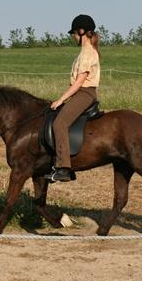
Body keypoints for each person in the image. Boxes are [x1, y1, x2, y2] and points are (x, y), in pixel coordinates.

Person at [45, 14, 101, 183]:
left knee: (60, 124)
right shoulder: (85, 52)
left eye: (74, 34)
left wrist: (61, 100)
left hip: (84, 93)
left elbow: (79, 83)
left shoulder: (87, 52)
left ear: (82, 32)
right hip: (81, 93)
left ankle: (63, 168)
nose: (73, 37)